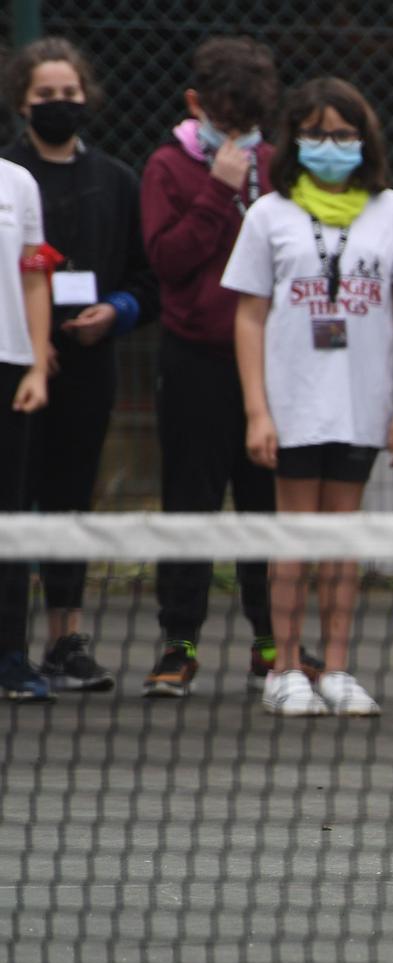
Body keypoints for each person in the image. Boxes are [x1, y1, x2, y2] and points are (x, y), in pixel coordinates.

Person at [223, 77, 393, 718]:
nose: (330, 144)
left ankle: (335, 668)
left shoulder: (391, 209)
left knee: (342, 542)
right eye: (316, 133)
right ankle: (284, 670)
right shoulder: (268, 214)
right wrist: (258, 409)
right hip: (292, 405)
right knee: (294, 540)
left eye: (343, 133)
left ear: (363, 141)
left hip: (362, 405)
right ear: (295, 141)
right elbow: (249, 317)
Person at [3, 38, 157, 696]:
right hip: (16, 371)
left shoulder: (118, 181)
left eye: (70, 95)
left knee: (70, 499)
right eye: (46, 97)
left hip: (90, 370)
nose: (60, 106)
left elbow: (148, 281)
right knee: (14, 503)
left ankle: (66, 639)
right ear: (21, 103)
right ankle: (9, 645)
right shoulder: (9, 175)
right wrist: (34, 343)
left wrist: (114, 312)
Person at [138, 36, 282, 699]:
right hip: (193, 358)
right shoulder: (168, 168)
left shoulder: (278, 166)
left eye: (248, 125)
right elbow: (167, 261)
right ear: (198, 105)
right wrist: (217, 195)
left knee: (264, 502)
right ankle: (180, 641)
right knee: (191, 500)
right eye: (226, 121)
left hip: (269, 364)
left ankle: (271, 638)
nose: (239, 136)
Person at [0, 149, 53, 700]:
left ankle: (10, 655)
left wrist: (38, 364)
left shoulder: (18, 183)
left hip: (9, 367)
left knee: (8, 520)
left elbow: (35, 276)